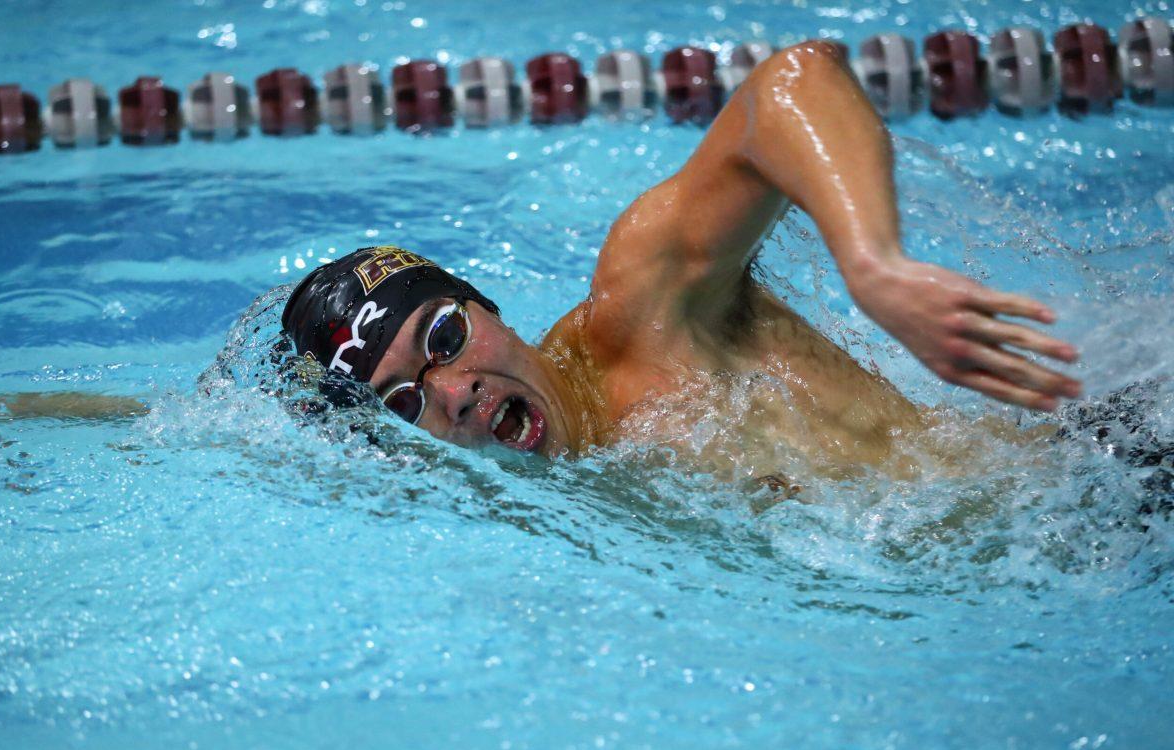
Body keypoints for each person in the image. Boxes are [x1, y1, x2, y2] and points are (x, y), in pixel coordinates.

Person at [279, 41, 1081, 479]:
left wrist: (875, 266)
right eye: (403, 405)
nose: (453, 395)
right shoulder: (551, 484)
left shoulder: (643, 317)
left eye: (446, 338)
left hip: (1097, 486)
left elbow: (790, 84)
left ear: (485, 304)